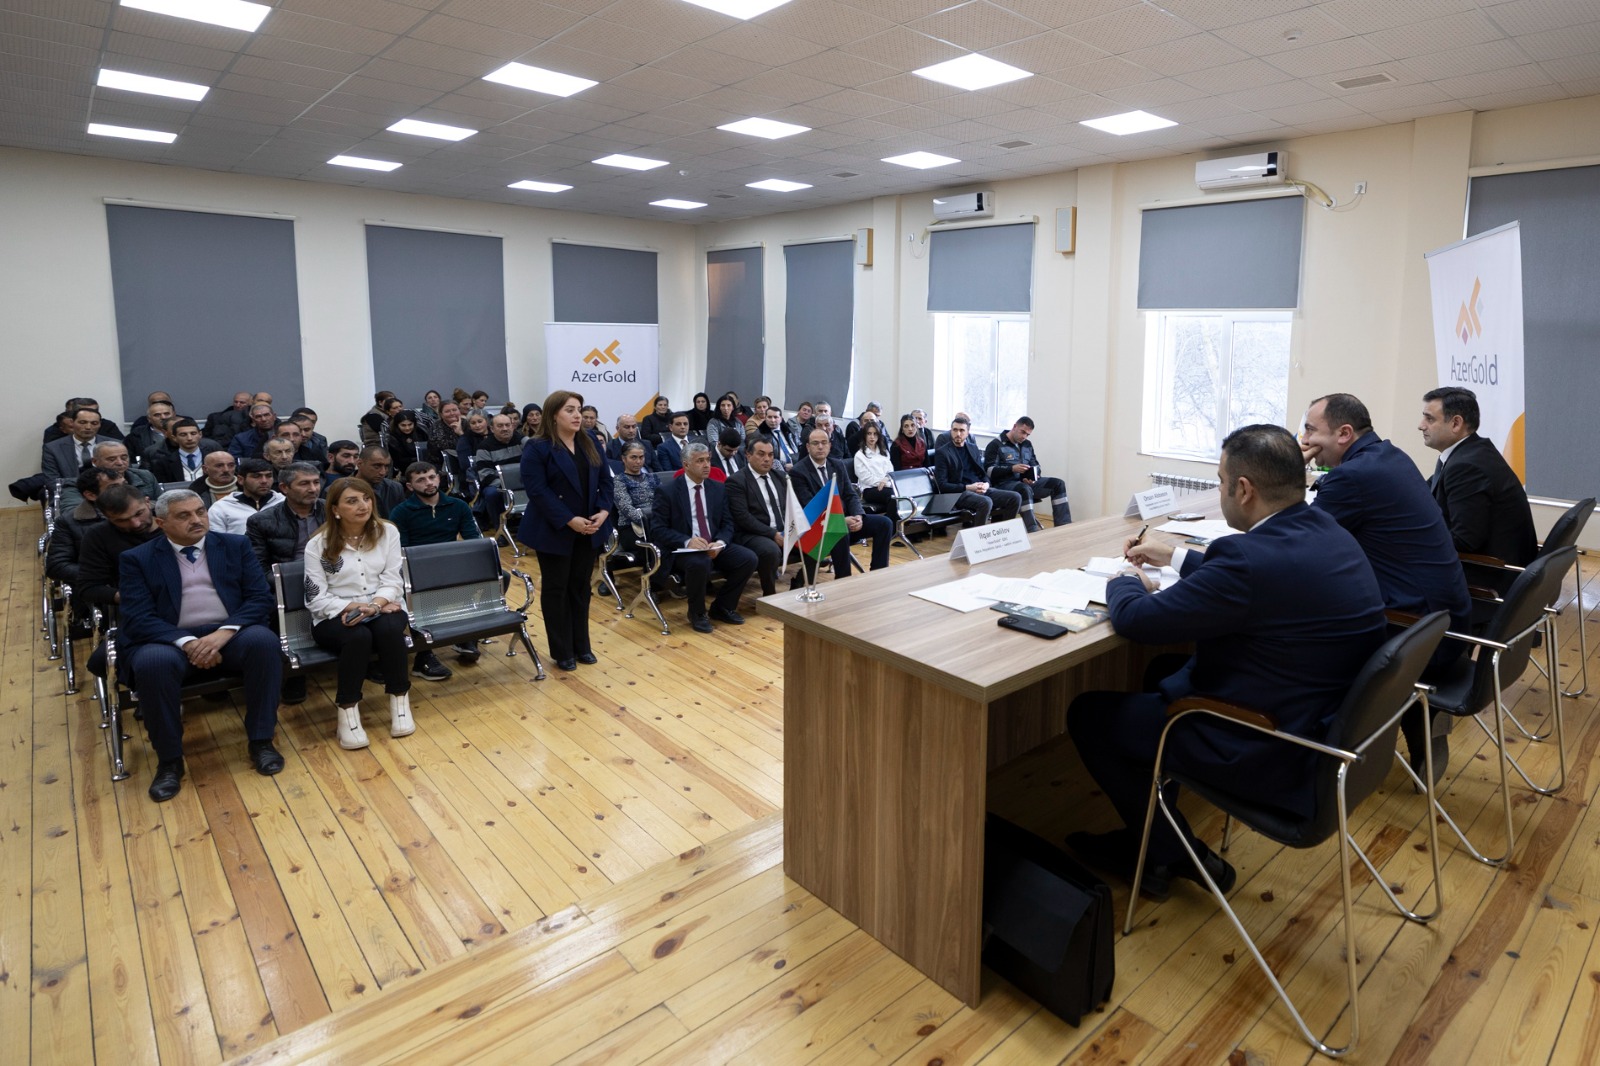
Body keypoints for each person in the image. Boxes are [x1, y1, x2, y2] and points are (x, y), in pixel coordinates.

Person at [1066, 424, 1388, 900]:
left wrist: (1125, 581)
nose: (1219, 491)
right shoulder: (1326, 531)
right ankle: (1153, 840)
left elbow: (1137, 621)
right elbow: (1261, 579)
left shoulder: (1248, 560)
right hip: (1323, 725)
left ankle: (1172, 851)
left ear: (1244, 489)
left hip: (1269, 745)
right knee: (1162, 671)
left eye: (1219, 482)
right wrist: (1175, 557)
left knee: (1088, 715)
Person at [1301, 392, 1472, 778]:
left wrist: (1285, 476)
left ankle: (1320, 753)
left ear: (1344, 433)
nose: (1305, 440)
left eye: (1310, 430)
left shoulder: (1352, 477)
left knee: (1297, 622)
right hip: (1444, 620)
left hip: (1417, 633)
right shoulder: (1389, 456)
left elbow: (1296, 545)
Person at [117, 489, 285, 802]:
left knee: (264, 642)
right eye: (184, 515)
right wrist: (188, 642)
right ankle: (169, 761)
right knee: (152, 663)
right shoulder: (137, 559)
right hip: (170, 639)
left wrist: (223, 634)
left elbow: (259, 598)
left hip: (228, 632)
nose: (196, 520)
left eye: (200, 512)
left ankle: (261, 741)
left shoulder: (234, 545)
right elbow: (138, 617)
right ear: (161, 523)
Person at [305, 476, 413, 750]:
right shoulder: (317, 545)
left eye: (366, 499)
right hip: (335, 614)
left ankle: (400, 700)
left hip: (382, 605)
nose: (363, 506)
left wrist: (375, 605)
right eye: (352, 501)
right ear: (335, 509)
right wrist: (357, 607)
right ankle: (347, 709)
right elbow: (315, 598)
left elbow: (393, 579)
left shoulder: (387, 532)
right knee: (357, 637)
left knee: (389, 629)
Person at [519, 391, 615, 671]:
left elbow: (606, 481)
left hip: (589, 527)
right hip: (554, 528)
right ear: (553, 415)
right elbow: (537, 491)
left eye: (579, 410)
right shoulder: (537, 447)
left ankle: (581, 646)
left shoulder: (590, 441)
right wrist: (568, 519)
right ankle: (562, 650)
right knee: (557, 589)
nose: (577, 415)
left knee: (580, 588)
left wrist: (604, 511)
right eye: (570, 410)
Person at [1419, 386, 1537, 566]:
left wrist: (1412, 535)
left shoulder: (1466, 467)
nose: (1421, 426)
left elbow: (1464, 541)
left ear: (1456, 423)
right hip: (1498, 560)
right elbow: (1425, 491)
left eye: (1430, 419)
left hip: (1490, 571)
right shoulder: (1472, 451)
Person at [389, 461, 484, 678]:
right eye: (421, 480)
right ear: (410, 486)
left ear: (439, 479)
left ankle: (466, 637)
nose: (429, 483)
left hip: (451, 565)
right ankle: (424, 655)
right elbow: (402, 551)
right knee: (416, 594)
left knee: (500, 577)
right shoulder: (401, 512)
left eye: (432, 477)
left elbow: (472, 540)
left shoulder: (458, 506)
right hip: (417, 569)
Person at [651, 442, 757, 633]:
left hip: (713, 544)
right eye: (700, 461)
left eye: (708, 460)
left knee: (748, 559)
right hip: (682, 549)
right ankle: (697, 612)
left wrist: (720, 542)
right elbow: (658, 529)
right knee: (699, 562)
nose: (707, 465)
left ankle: (722, 607)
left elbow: (728, 523)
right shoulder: (667, 491)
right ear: (686, 465)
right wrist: (687, 541)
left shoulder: (718, 488)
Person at [245, 462, 325, 705]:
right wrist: (289, 582)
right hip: (287, 583)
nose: (313, 489)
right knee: (273, 608)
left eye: (316, 482)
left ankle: (365, 659)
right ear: (284, 488)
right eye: (304, 483)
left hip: (333, 576)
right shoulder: (261, 520)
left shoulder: (332, 510)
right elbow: (258, 568)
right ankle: (294, 671)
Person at [790, 426, 893, 579]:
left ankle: (878, 574)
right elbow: (810, 506)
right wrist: (841, 520)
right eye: (815, 443)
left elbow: (850, 495)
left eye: (824, 442)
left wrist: (858, 515)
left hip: (845, 519)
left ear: (830, 445)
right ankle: (844, 580)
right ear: (808, 447)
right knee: (840, 530)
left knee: (885, 523)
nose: (820, 447)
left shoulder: (837, 465)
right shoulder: (798, 471)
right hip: (818, 525)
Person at [726, 436, 794, 597]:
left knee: (816, 537)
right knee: (770, 550)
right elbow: (742, 517)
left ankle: (800, 582)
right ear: (748, 455)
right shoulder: (736, 481)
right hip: (752, 533)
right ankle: (769, 595)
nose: (767, 459)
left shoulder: (781, 477)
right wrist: (773, 534)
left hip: (783, 529)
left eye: (770, 455)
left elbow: (792, 506)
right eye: (761, 454)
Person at [985, 416, 1071, 531]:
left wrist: (1033, 476)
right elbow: (989, 471)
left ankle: (1064, 527)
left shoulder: (1027, 444)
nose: (1024, 437)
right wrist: (1012, 469)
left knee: (1058, 484)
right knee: (1024, 489)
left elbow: (1036, 465)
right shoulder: (995, 445)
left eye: (1027, 434)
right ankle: (1032, 530)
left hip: (1026, 483)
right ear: (1014, 427)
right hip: (1004, 485)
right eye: (1023, 432)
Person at [934, 417, 1021, 526]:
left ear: (968, 433)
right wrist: (969, 487)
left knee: (1015, 497)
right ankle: (979, 535)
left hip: (979, 488)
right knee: (985, 502)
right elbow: (942, 485)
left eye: (962, 430)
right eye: (955, 430)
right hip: (959, 492)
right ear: (951, 431)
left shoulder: (973, 448)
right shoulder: (943, 452)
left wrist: (986, 484)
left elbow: (982, 473)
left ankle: (1003, 530)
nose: (958, 434)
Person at [472, 414, 523, 530]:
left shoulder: (521, 440)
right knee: (492, 494)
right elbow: (485, 474)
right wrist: (506, 485)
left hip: (522, 481)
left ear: (512, 426)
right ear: (492, 429)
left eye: (507, 425)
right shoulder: (484, 447)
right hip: (497, 484)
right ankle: (500, 529)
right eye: (500, 426)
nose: (505, 428)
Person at [208, 458, 281, 533]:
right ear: (241, 480)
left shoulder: (283, 502)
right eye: (256, 476)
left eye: (268, 476)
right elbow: (216, 538)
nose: (264, 481)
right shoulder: (221, 508)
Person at [42, 406, 113, 481]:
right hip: (69, 487)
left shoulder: (114, 444)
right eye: (82, 422)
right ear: (73, 423)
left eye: (94, 423)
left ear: (100, 425)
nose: (88, 427)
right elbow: (52, 480)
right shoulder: (53, 448)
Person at [145, 417, 220, 482]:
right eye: (183, 435)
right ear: (174, 438)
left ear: (200, 434)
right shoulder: (163, 462)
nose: (189, 438)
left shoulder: (214, 457)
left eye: (193, 433)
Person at [852, 421, 895, 513]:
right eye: (869, 434)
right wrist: (882, 483)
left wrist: (886, 480)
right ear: (865, 435)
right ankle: (891, 521)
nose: (872, 437)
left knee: (900, 494)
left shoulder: (884, 452)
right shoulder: (859, 455)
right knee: (892, 495)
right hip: (869, 489)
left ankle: (895, 520)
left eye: (875, 434)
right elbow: (865, 477)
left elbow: (890, 470)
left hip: (886, 485)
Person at [386, 409, 431, 474]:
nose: (407, 428)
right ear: (397, 425)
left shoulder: (421, 431)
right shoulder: (392, 437)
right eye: (403, 425)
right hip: (404, 469)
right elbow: (397, 460)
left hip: (426, 464)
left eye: (410, 424)